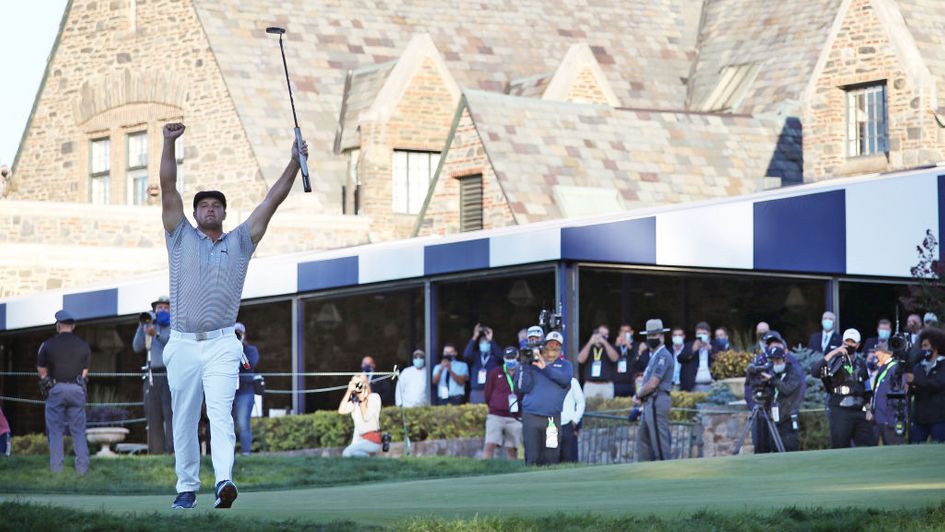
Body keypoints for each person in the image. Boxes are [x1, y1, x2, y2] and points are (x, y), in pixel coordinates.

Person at [159, 122, 307, 510]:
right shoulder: (179, 235)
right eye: (203, 205)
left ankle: (224, 480)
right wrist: (168, 143)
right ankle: (186, 487)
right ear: (193, 213)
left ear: (224, 212)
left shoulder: (241, 240)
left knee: (221, 414)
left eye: (216, 205)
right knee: (185, 418)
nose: (210, 208)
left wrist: (294, 163)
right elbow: (168, 186)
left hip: (224, 341)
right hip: (183, 343)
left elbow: (271, 201)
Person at [37, 310, 91, 475]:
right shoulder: (83, 345)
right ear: (73, 326)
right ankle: (82, 471)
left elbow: (42, 371)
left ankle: (57, 471)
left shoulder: (47, 345)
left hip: (56, 389)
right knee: (78, 431)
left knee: (55, 431)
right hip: (76, 389)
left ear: (58, 325)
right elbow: (85, 373)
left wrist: (49, 383)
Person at [811, 328, 876, 449]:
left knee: (868, 445)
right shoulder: (834, 360)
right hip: (840, 409)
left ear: (858, 345)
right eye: (847, 341)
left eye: (853, 342)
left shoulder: (861, 363)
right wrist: (835, 352)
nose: (849, 344)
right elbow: (815, 371)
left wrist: (868, 409)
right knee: (840, 446)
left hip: (859, 410)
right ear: (842, 342)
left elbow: (867, 389)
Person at [516, 331, 573, 466]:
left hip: (552, 419)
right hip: (532, 418)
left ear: (560, 348)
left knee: (551, 456)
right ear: (544, 346)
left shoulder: (565, 365)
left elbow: (564, 379)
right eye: (550, 344)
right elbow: (522, 388)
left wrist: (546, 367)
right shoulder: (532, 365)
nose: (553, 347)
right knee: (532, 457)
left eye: (556, 345)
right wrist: (525, 365)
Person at [132, 295, 174, 454]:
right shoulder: (150, 324)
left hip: (169, 374)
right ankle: (156, 452)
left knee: (170, 416)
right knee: (153, 416)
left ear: (170, 310)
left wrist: (155, 333)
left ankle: (172, 452)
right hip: (151, 375)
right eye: (159, 308)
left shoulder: (174, 326)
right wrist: (141, 326)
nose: (161, 310)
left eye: (165, 307)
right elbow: (137, 347)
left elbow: (170, 344)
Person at [634, 318, 674, 462]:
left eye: (654, 335)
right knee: (643, 439)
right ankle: (645, 469)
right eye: (649, 336)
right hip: (649, 402)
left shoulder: (663, 356)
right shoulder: (654, 356)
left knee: (659, 441)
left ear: (662, 337)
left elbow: (653, 383)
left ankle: (665, 471)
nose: (651, 339)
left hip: (657, 399)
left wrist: (639, 393)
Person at [751, 346, 803, 453]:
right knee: (770, 446)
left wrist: (772, 379)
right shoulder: (772, 372)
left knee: (788, 447)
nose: (775, 363)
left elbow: (787, 389)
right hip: (773, 416)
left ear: (784, 359)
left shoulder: (793, 373)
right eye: (773, 361)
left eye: (778, 360)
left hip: (787, 417)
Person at [482, 347, 524, 459]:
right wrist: (494, 405)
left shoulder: (523, 373)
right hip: (496, 415)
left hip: (515, 416)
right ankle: (485, 470)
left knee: (512, 448)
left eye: (512, 357)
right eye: (508, 358)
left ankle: (513, 473)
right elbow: (487, 393)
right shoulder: (496, 372)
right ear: (504, 358)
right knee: (490, 444)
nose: (510, 360)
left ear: (517, 357)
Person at [906, 327, 945, 443]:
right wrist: (908, 388)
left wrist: (915, 380)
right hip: (919, 417)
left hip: (939, 417)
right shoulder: (918, 366)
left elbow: (938, 384)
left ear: (935, 346)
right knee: (915, 448)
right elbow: (915, 389)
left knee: (938, 448)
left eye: (926, 346)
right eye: (922, 346)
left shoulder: (943, 364)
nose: (923, 349)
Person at [868, 345, 908, 445]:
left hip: (890, 420)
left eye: (877, 351)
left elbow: (899, 396)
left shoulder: (895, 368)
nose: (875, 355)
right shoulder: (883, 368)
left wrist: (892, 418)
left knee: (894, 450)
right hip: (880, 418)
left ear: (887, 353)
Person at [338, 373, 383, 457]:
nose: (358, 387)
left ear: (366, 384)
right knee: (351, 456)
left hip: (371, 440)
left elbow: (366, 417)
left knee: (347, 453)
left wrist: (363, 400)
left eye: (359, 384)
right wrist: (349, 391)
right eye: (355, 384)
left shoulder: (374, 397)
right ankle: (368, 462)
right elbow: (341, 410)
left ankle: (369, 461)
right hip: (359, 439)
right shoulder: (355, 401)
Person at [232, 323, 260, 456]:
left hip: (245, 392)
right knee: (227, 425)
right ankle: (227, 455)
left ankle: (246, 453)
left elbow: (249, 364)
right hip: (229, 391)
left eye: (238, 333)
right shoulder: (226, 349)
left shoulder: (251, 350)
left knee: (243, 424)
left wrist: (240, 346)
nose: (236, 335)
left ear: (244, 335)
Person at [577, 325, 618, 400]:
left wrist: (605, 343)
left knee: (607, 410)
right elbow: (580, 359)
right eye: (601, 334)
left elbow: (615, 358)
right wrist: (590, 342)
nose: (602, 337)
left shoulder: (610, 346)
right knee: (589, 410)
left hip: (606, 385)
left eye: (605, 335)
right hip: (590, 385)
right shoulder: (588, 346)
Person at [464, 324, 501, 404]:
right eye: (482, 343)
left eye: (486, 343)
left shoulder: (494, 357)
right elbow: (466, 355)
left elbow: (501, 356)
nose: (484, 344)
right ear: (479, 345)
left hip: (492, 390)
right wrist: (474, 337)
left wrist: (491, 340)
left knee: (492, 414)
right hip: (477, 391)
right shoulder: (475, 356)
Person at [682, 322, 715, 392]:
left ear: (709, 334)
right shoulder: (689, 345)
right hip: (694, 385)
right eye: (699, 333)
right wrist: (692, 350)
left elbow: (721, 357)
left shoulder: (714, 344)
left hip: (712, 384)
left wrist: (711, 350)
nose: (701, 335)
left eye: (704, 333)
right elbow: (680, 358)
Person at [559, 375, 585, 463]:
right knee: (552, 458)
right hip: (551, 424)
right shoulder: (547, 380)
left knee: (569, 459)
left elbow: (581, 402)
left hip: (568, 424)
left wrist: (575, 420)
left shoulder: (572, 381)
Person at [613, 324, 637, 397]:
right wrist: (616, 346)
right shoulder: (615, 346)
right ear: (619, 333)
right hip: (617, 383)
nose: (624, 334)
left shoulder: (636, 345)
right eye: (622, 332)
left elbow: (637, 359)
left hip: (631, 383)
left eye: (627, 332)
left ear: (632, 332)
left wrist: (628, 345)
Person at [668, 326, 690, 391]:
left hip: (685, 384)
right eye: (675, 335)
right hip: (671, 384)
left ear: (684, 336)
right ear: (671, 337)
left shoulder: (688, 351)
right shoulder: (667, 351)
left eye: (680, 335)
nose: (677, 337)